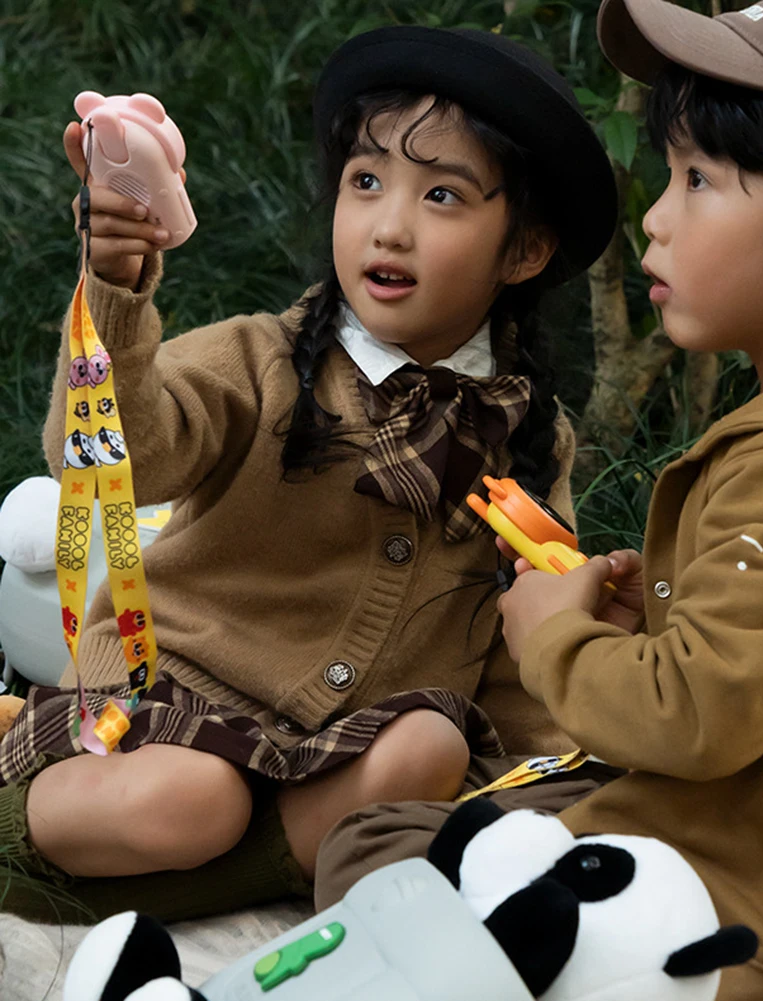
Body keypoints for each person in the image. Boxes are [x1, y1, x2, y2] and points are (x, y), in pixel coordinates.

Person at [310, 2, 763, 998]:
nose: (656, 216)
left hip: (750, 907)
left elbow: (694, 720)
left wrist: (554, 635)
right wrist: (669, 617)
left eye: (696, 181)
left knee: (382, 840)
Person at [0, 25, 619, 923]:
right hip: (167, 710)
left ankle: (251, 861)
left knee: (431, 741)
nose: (389, 224)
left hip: (333, 748)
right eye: (365, 182)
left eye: (442, 194)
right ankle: (28, 841)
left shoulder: (523, 431)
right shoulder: (259, 359)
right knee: (194, 798)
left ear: (522, 252)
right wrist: (113, 282)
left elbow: (517, 632)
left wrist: (539, 779)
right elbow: (111, 456)